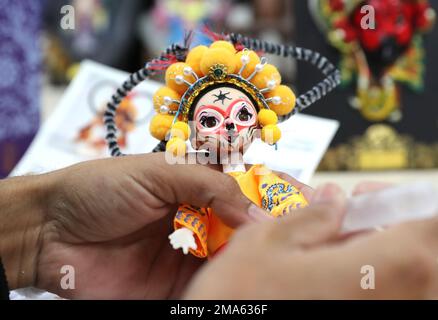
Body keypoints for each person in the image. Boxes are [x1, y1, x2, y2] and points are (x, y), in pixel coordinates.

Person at [0, 153, 437, 299]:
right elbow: (193, 213)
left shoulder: (259, 177)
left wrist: (42, 230)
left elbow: (284, 202)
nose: (226, 130)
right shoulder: (193, 190)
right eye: (211, 121)